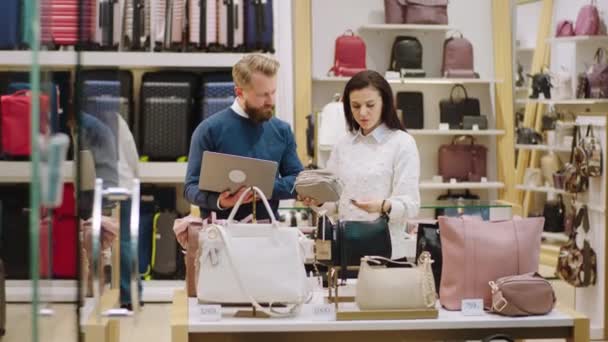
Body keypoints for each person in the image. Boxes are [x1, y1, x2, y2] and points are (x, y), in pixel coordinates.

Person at [302, 70, 420, 259]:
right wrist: (320, 200)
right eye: (355, 106)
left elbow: (411, 204)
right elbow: (333, 204)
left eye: (370, 105)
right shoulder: (343, 144)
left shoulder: (402, 143)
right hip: (346, 247)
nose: (363, 113)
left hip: (387, 251)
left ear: (385, 103)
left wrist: (382, 206)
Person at [184, 54, 303, 220]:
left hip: (268, 234)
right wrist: (220, 201)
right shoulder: (208, 130)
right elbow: (190, 188)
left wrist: (260, 189)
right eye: (262, 95)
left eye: (273, 92)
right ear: (239, 92)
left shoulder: (282, 130)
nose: (271, 101)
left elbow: (298, 182)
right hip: (220, 236)